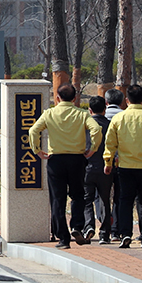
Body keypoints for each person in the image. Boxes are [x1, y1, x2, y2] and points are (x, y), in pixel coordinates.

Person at [29, 84, 102, 249]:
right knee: (77, 195)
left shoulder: (49, 114)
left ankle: (63, 238)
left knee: (57, 199)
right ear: (75, 98)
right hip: (77, 159)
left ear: (57, 98)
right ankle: (76, 226)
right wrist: (92, 149)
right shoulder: (82, 114)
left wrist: (37, 150)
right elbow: (96, 129)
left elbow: (33, 131)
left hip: (56, 160)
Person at [103, 84, 142, 249]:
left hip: (125, 167)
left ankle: (125, 234)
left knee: (125, 201)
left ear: (127, 100)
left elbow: (110, 143)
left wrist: (108, 162)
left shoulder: (118, 118)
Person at [83, 96, 113, 244]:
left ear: (90, 110)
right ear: (105, 108)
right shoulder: (110, 125)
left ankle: (88, 226)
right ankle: (104, 233)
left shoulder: (85, 126)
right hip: (106, 168)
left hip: (87, 167)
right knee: (105, 199)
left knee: (86, 199)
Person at [103, 87, 125, 238]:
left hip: (103, 163)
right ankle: (116, 230)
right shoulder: (124, 116)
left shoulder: (100, 116)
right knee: (119, 196)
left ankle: (105, 230)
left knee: (102, 197)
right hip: (122, 162)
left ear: (106, 102)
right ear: (122, 102)